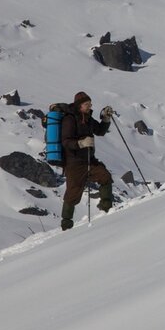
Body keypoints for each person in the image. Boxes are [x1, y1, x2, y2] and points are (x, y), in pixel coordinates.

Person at [59, 91, 115, 230]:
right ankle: (66, 226)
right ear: (79, 106)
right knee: (72, 194)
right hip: (74, 163)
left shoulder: (88, 118)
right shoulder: (70, 119)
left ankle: (107, 210)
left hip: (89, 160)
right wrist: (81, 143)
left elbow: (100, 131)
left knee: (105, 176)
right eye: (86, 104)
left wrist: (106, 119)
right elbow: (65, 141)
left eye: (90, 104)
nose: (89, 106)